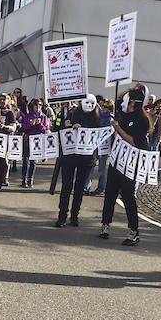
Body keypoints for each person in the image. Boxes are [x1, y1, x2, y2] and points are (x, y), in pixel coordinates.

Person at [100, 83, 149, 246]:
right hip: (116, 160)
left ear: (134, 104)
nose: (123, 104)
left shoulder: (142, 119)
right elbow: (119, 97)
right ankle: (105, 225)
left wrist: (118, 129)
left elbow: (134, 142)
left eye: (128, 101)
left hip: (130, 164)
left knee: (128, 198)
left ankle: (134, 231)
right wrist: (132, 89)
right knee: (109, 194)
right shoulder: (123, 113)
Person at [54, 94, 101, 227]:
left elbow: (98, 135)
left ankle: (75, 216)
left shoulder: (96, 119)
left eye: (93, 104)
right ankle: (62, 216)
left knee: (80, 188)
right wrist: (68, 125)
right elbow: (60, 130)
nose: (90, 106)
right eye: (87, 103)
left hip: (86, 158)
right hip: (70, 155)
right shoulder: (72, 113)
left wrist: (84, 129)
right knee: (66, 186)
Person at [18, 96, 49, 188]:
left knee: (33, 162)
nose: (38, 106)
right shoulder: (28, 116)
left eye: (40, 105)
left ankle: (30, 180)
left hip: (37, 142)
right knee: (26, 160)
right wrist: (32, 125)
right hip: (28, 140)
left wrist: (39, 124)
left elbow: (45, 130)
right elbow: (24, 129)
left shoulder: (43, 117)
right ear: (32, 106)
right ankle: (24, 180)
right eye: (36, 104)